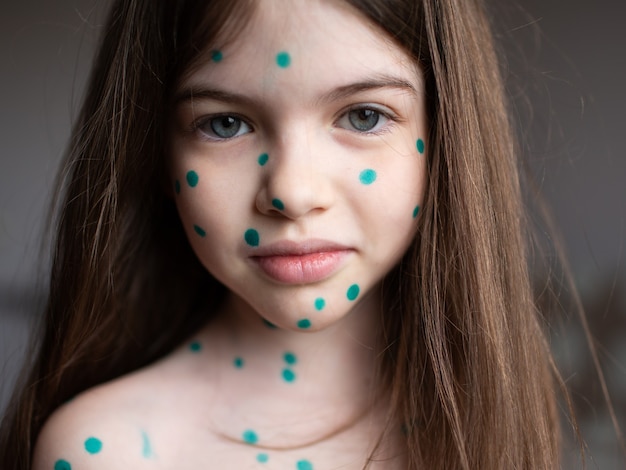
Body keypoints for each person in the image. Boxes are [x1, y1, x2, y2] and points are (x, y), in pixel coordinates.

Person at [0, 0, 566, 468]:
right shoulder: (109, 451)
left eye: (363, 116)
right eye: (225, 124)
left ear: (445, 137)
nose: (292, 193)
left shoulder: (495, 407)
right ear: (158, 155)